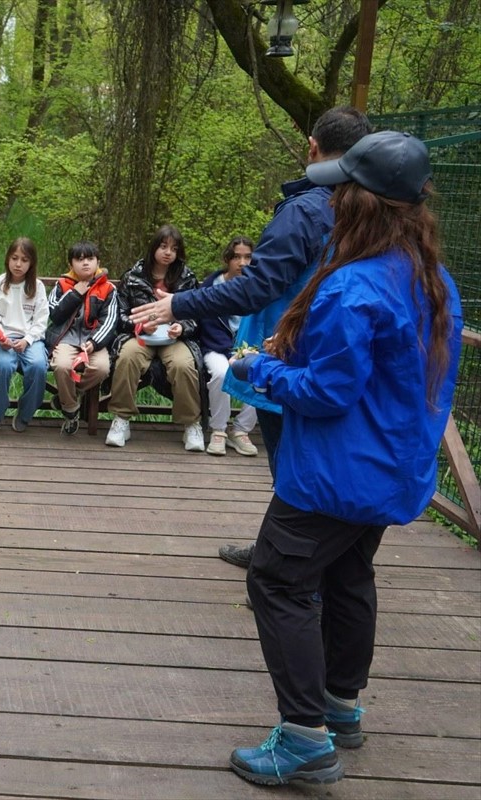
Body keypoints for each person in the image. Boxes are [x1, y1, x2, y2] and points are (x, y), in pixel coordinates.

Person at [226, 131, 462, 786]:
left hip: (333, 476)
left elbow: (326, 394)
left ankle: (305, 738)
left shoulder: (352, 287)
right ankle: (339, 707)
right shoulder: (434, 279)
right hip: (391, 469)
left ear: (362, 204)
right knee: (350, 575)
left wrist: (261, 370)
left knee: (276, 580)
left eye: (341, 192)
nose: (330, 201)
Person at [128, 107, 372, 567]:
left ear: (312, 148)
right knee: (321, 463)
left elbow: (257, 287)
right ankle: (296, 556)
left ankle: (290, 567)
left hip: (292, 356)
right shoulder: (379, 210)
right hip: (346, 359)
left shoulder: (304, 210)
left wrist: (178, 304)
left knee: (291, 467)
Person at [106, 225, 202, 451]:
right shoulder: (133, 276)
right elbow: (120, 316)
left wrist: (181, 327)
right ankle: (121, 419)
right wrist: (139, 326)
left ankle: (191, 423)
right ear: (153, 248)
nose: (168, 253)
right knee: (127, 357)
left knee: (183, 365)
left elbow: (197, 315)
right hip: (140, 335)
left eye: (174, 249)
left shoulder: (187, 278)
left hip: (174, 338)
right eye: (163, 246)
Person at [45, 241, 117, 435]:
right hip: (65, 338)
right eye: (79, 259)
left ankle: (68, 395)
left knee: (102, 368)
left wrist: (94, 342)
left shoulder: (108, 289)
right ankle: (70, 410)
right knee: (62, 366)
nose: (85, 263)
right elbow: (54, 314)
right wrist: (76, 293)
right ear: (71, 264)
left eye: (90, 259)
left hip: (93, 340)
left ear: (98, 262)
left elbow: (110, 320)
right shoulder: (62, 285)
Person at [196, 238, 259, 456]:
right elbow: (206, 326)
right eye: (236, 257)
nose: (242, 263)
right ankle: (219, 430)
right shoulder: (211, 287)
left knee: (261, 372)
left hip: (248, 347)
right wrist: (230, 352)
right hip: (215, 347)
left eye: (248, 257)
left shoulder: (258, 289)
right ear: (227, 259)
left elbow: (261, 325)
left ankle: (240, 430)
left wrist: (245, 351)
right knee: (221, 373)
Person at [0, 238, 48, 431]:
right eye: (14, 258)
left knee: (38, 366)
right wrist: (0, 338)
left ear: (31, 263)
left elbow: (41, 320)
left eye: (24, 260)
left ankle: (26, 412)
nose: (18, 264)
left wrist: (27, 340)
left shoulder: (37, 286)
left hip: (30, 340)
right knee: (3, 366)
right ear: (8, 259)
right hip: (3, 339)